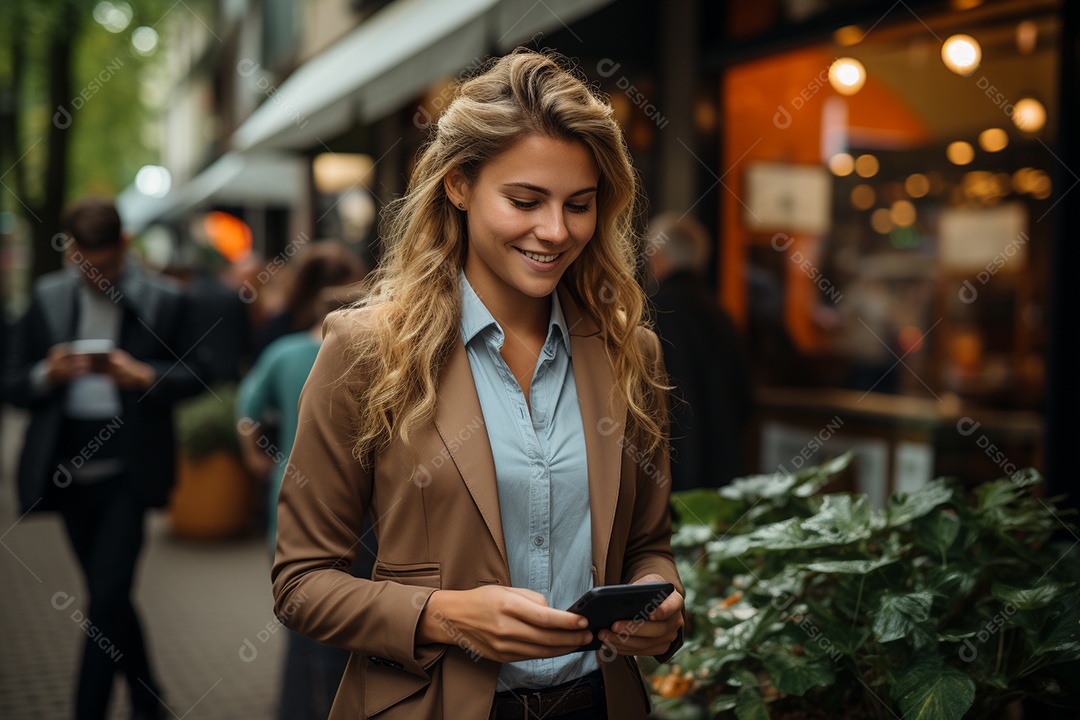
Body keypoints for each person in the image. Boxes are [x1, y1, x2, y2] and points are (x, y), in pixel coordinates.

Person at [272, 49, 684, 720]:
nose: (555, 231)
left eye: (579, 205)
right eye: (525, 200)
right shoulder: (365, 350)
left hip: (597, 704)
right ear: (458, 186)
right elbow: (300, 583)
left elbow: (647, 545)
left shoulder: (630, 353)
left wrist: (662, 602)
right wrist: (442, 615)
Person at [3, 197, 205, 720]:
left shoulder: (162, 298)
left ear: (124, 246)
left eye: (107, 266)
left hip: (129, 472)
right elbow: (12, 384)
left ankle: (86, 710)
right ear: (71, 252)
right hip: (67, 471)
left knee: (105, 595)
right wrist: (47, 374)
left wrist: (145, 376)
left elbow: (200, 373)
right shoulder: (47, 298)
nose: (97, 278)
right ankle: (147, 698)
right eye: (85, 266)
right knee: (106, 596)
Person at [237, 251, 367, 720]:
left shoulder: (283, 353)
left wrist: (256, 459)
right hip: (363, 511)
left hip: (291, 498)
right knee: (350, 623)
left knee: (298, 609)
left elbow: (247, 409)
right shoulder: (371, 350)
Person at [644, 213, 754, 490]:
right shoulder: (721, 313)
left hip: (672, 473)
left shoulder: (653, 311)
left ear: (657, 255)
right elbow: (744, 397)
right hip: (722, 469)